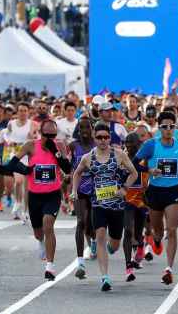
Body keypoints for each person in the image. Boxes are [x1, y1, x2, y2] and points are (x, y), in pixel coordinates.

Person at [71, 123, 138, 291]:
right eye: (99, 137)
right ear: (95, 138)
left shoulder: (119, 155)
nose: (102, 140)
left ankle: (110, 247)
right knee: (100, 237)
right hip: (98, 204)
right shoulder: (88, 157)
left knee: (114, 245)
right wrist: (74, 191)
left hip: (117, 206)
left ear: (110, 138)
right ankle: (105, 277)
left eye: (106, 137)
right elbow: (77, 173)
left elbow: (134, 173)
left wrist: (124, 189)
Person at [6, 119, 72, 280]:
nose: (49, 138)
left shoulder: (60, 145)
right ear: (40, 133)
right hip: (34, 195)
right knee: (38, 232)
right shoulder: (30, 145)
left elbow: (67, 168)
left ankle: (50, 266)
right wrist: (26, 169)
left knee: (48, 225)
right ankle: (40, 241)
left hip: (52, 194)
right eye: (46, 135)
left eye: (53, 135)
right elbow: (11, 164)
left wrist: (55, 152)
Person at [133, 111, 178, 285]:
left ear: (175, 127)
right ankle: (156, 240)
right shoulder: (151, 145)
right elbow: (134, 163)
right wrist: (149, 170)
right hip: (155, 192)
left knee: (172, 230)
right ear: (159, 128)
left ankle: (169, 269)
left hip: (173, 191)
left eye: (171, 126)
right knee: (158, 230)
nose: (167, 129)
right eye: (164, 126)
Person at [69, 117, 96, 279]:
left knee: (91, 224)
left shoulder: (97, 145)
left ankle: (92, 242)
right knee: (81, 222)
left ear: (92, 128)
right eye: (81, 128)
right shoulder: (73, 146)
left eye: (87, 127)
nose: (84, 130)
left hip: (96, 190)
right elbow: (68, 166)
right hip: (79, 189)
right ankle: (80, 263)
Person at [122, 132, 149, 278]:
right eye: (127, 142)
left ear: (138, 144)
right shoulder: (122, 158)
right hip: (126, 201)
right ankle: (128, 266)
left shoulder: (144, 160)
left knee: (137, 235)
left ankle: (140, 244)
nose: (129, 145)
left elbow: (148, 177)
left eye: (132, 143)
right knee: (127, 230)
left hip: (141, 201)